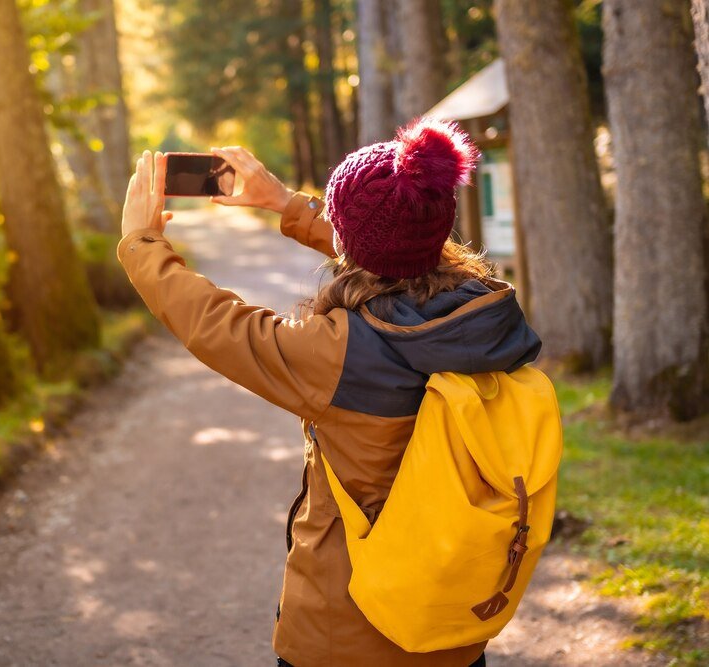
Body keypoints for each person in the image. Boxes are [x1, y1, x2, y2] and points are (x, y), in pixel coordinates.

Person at [116, 117, 540, 667]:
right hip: (450, 626)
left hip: (348, 633)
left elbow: (219, 324)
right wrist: (284, 203)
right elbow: (394, 252)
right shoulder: (482, 311)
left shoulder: (338, 353)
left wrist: (141, 243)